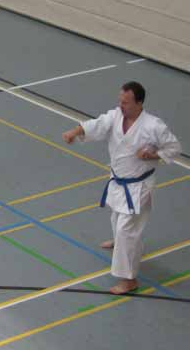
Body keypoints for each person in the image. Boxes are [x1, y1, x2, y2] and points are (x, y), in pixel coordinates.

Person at [62, 81, 181, 294]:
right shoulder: (116, 116)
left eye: (125, 102)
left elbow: (174, 148)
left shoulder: (153, 125)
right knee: (117, 218)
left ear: (139, 103)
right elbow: (97, 124)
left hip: (139, 186)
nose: (121, 105)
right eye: (120, 101)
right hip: (118, 180)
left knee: (126, 230)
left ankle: (129, 280)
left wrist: (153, 155)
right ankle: (121, 243)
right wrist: (74, 131)